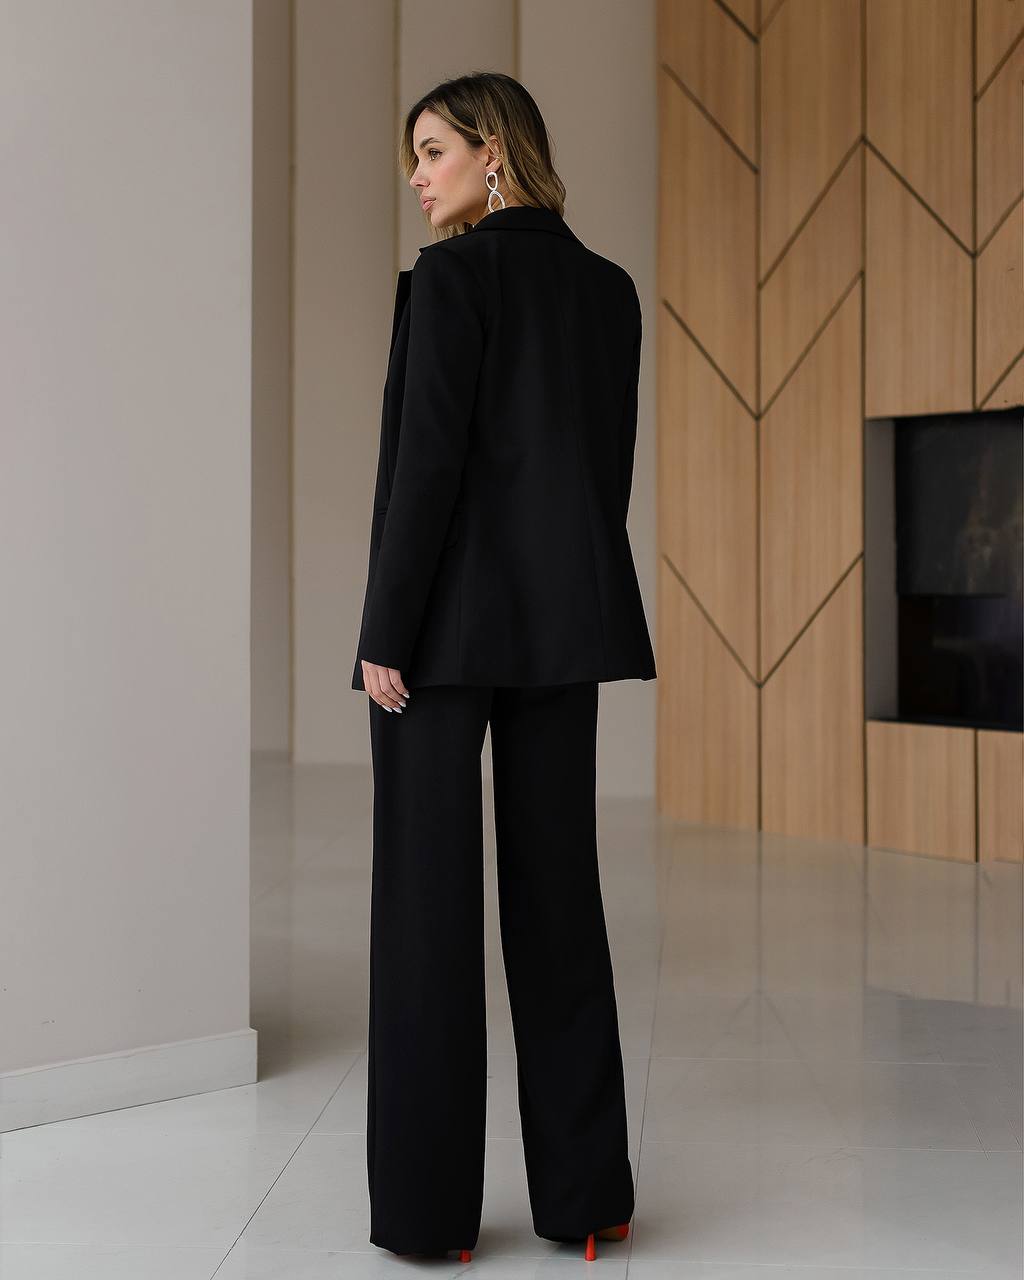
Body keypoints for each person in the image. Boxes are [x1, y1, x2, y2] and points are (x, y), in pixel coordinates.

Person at [350, 71, 656, 1262]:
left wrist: (385, 626)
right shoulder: (609, 292)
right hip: (559, 631)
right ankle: (589, 1202)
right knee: (559, 904)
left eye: (430, 150)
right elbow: (599, 476)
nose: (418, 176)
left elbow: (424, 470)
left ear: (493, 152)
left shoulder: (450, 280)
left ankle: (433, 1222)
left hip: (439, 636)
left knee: (426, 920)